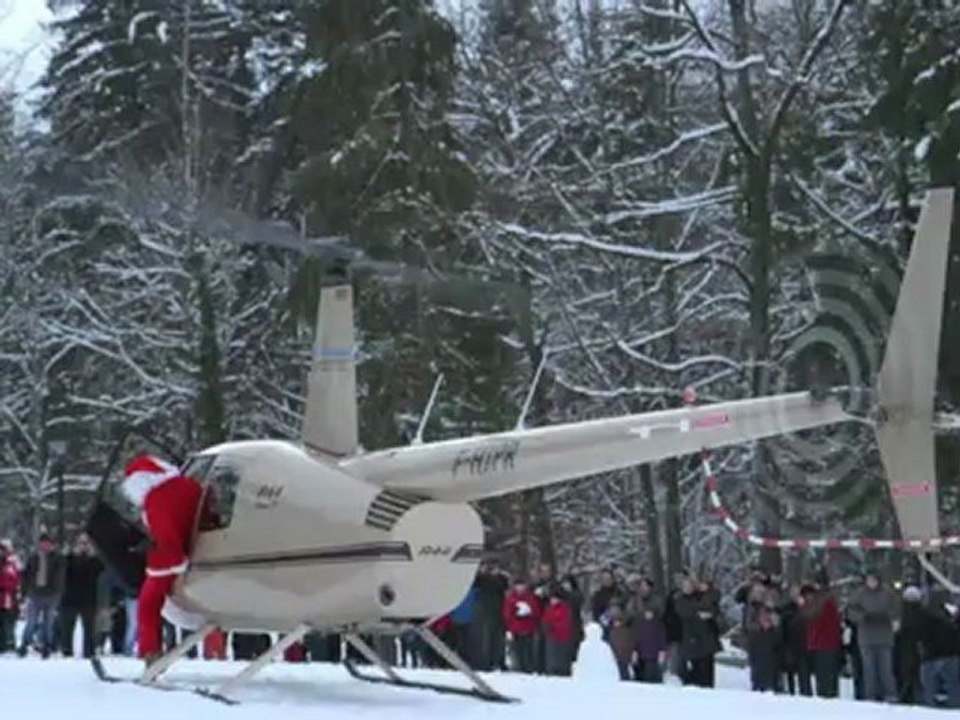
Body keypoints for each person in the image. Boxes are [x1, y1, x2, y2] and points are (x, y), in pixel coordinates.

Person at [120, 453, 203, 665]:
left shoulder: (156, 499)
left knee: (147, 605)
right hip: (202, 546)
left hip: (171, 561)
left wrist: (159, 561)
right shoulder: (190, 486)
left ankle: (150, 652)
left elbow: (166, 537)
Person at [847, 569, 899, 702]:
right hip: (866, 637)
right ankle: (870, 695)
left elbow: (896, 610)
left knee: (885, 669)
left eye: (874, 579)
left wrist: (889, 617)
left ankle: (890, 694)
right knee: (869, 669)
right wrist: (862, 617)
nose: (871, 582)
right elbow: (851, 611)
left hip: (884, 636)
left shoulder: (888, 593)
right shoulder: (859, 594)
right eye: (869, 579)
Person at [17, 532, 65, 658]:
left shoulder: (57, 558)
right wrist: (24, 592)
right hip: (35, 594)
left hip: (51, 595)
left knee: (48, 623)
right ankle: (24, 644)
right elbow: (25, 576)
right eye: (42, 543)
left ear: (51, 545)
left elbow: (60, 577)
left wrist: (57, 592)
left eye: (47, 544)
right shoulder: (33, 558)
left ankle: (46, 646)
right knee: (31, 622)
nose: (45, 546)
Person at [59, 533, 103, 658]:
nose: (84, 546)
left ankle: (89, 652)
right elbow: (61, 573)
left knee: (89, 628)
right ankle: (66, 651)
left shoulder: (96, 561)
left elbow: (101, 574)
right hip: (69, 599)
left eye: (86, 543)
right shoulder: (68, 559)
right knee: (67, 628)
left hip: (89, 599)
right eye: (81, 543)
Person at [0, 540, 19, 653]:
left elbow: (12, 581)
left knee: (8, 623)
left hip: (7, 598)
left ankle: (9, 644)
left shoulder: (10, 565)